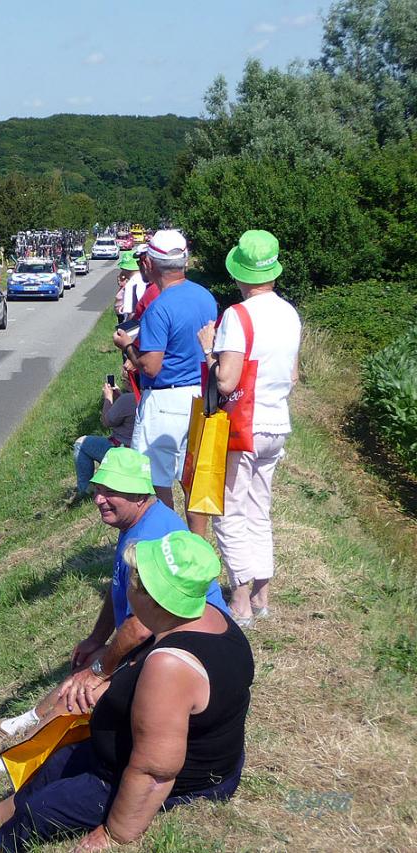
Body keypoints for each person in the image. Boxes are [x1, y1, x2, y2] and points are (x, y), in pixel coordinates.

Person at [0, 449, 228, 803]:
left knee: (82, 695)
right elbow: (121, 589)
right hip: (161, 641)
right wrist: (96, 640)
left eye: (109, 491)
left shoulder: (152, 535)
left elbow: (141, 627)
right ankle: (15, 730)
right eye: (98, 488)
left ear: (138, 494)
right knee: (86, 670)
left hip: (181, 655)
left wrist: (100, 670)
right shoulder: (137, 522)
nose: (98, 498)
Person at [0, 531, 253, 851]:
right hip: (119, 755)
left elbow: (155, 772)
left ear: (153, 596)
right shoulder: (205, 616)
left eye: (135, 579)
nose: (129, 586)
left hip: (164, 782)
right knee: (52, 767)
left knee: (36, 815)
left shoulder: (172, 666)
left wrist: (114, 833)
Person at [197, 230, 301, 627]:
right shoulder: (290, 313)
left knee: (229, 512)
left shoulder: (237, 317)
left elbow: (225, 381)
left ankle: (239, 602)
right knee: (260, 509)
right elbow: (292, 376)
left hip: (243, 429)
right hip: (277, 425)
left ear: (240, 272)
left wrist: (209, 347)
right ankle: (263, 597)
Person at [113, 230, 217, 528]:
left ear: (151, 264)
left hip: (165, 399)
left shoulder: (159, 308)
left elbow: (150, 367)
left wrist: (127, 347)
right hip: (199, 394)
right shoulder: (205, 296)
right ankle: (196, 546)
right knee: (192, 480)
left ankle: (170, 540)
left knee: (157, 482)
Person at [70, 364, 137, 501]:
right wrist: (121, 395)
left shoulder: (127, 400)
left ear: (129, 382)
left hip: (120, 451)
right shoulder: (144, 397)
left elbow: (106, 421)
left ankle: (85, 490)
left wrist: (108, 398)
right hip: (138, 451)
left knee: (80, 443)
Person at [113, 252, 138, 322]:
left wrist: (125, 328)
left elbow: (131, 313)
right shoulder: (135, 281)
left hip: (130, 321)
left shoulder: (132, 284)